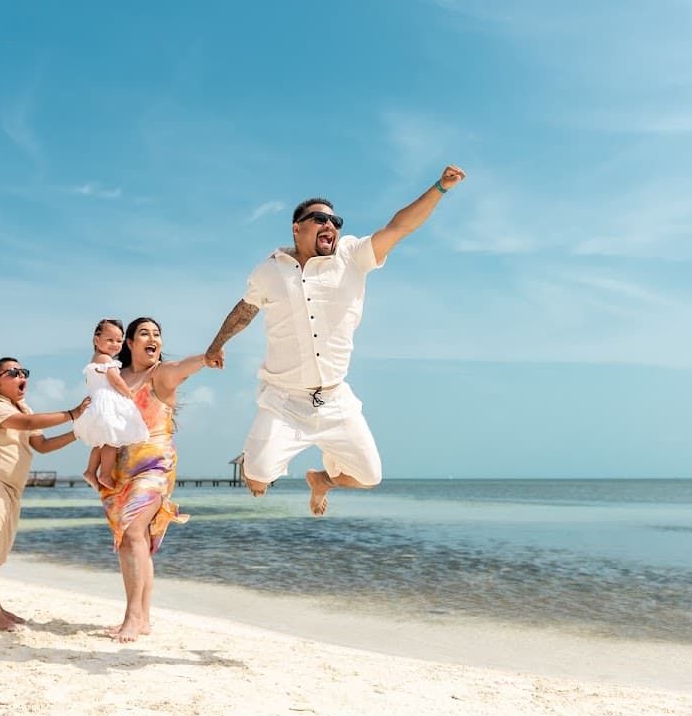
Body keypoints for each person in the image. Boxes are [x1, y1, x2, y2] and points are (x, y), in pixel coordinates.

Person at [205, 165, 466, 515]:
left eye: (336, 221)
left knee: (370, 476)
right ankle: (261, 472)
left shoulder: (353, 256)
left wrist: (440, 187)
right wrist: (216, 344)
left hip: (334, 399)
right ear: (297, 228)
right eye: (320, 219)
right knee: (255, 477)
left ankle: (321, 480)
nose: (331, 225)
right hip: (284, 400)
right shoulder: (270, 270)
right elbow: (245, 309)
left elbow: (400, 227)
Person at [98, 317, 211, 642]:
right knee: (131, 542)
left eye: (157, 334)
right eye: (144, 333)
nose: (153, 339)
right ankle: (141, 617)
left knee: (133, 530)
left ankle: (133, 618)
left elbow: (183, 367)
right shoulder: (114, 378)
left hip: (155, 464)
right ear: (129, 343)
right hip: (120, 466)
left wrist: (205, 358)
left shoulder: (160, 374)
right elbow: (103, 422)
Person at [0, 357, 89, 632]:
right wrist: (72, 413)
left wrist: (78, 432)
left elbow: (41, 445)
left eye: (24, 372)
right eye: (14, 373)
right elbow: (27, 423)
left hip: (8, 488)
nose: (22, 377)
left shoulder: (22, 407)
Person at [74, 319, 150, 491]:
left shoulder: (94, 359)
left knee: (100, 442)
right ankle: (105, 474)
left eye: (118, 341)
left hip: (96, 402)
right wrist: (129, 394)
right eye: (110, 340)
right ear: (96, 340)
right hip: (107, 403)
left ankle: (90, 471)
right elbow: (116, 381)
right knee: (111, 441)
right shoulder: (105, 359)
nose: (115, 344)